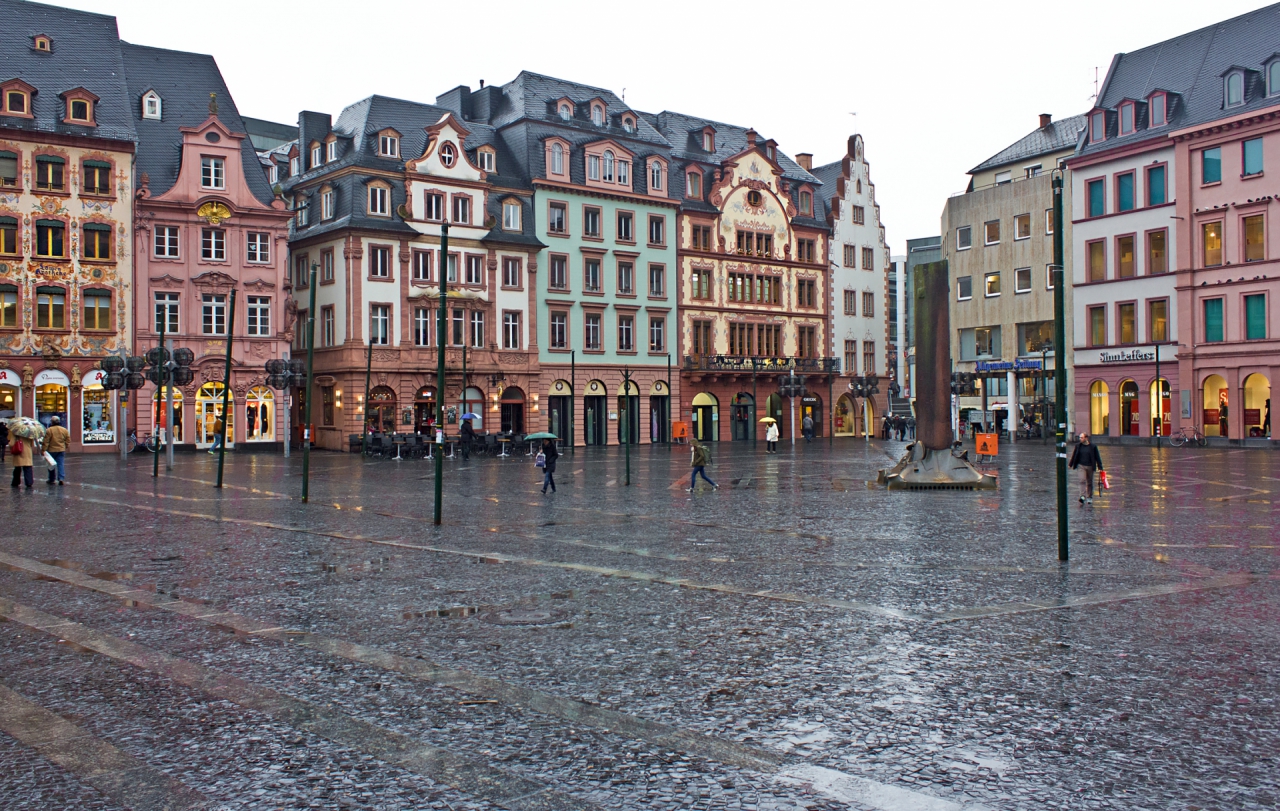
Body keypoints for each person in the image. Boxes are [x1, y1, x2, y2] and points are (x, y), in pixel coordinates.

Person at [1068, 432, 1104, 505]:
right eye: (1080, 437)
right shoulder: (1078, 446)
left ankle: (1089, 497)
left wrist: (1100, 467)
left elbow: (1097, 457)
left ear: (1086, 438)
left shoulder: (1093, 447)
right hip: (1081, 466)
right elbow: (1074, 455)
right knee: (1082, 480)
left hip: (1090, 466)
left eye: (1081, 437)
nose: (1080, 439)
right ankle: (1082, 496)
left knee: (1089, 482)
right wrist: (1070, 464)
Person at [43, 415, 69, 485]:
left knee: (51, 464)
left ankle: (52, 479)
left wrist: (43, 450)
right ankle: (61, 478)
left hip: (51, 450)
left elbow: (46, 441)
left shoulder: (49, 430)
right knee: (60, 464)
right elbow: (68, 440)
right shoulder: (64, 430)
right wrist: (65, 446)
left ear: (52, 422)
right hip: (61, 449)